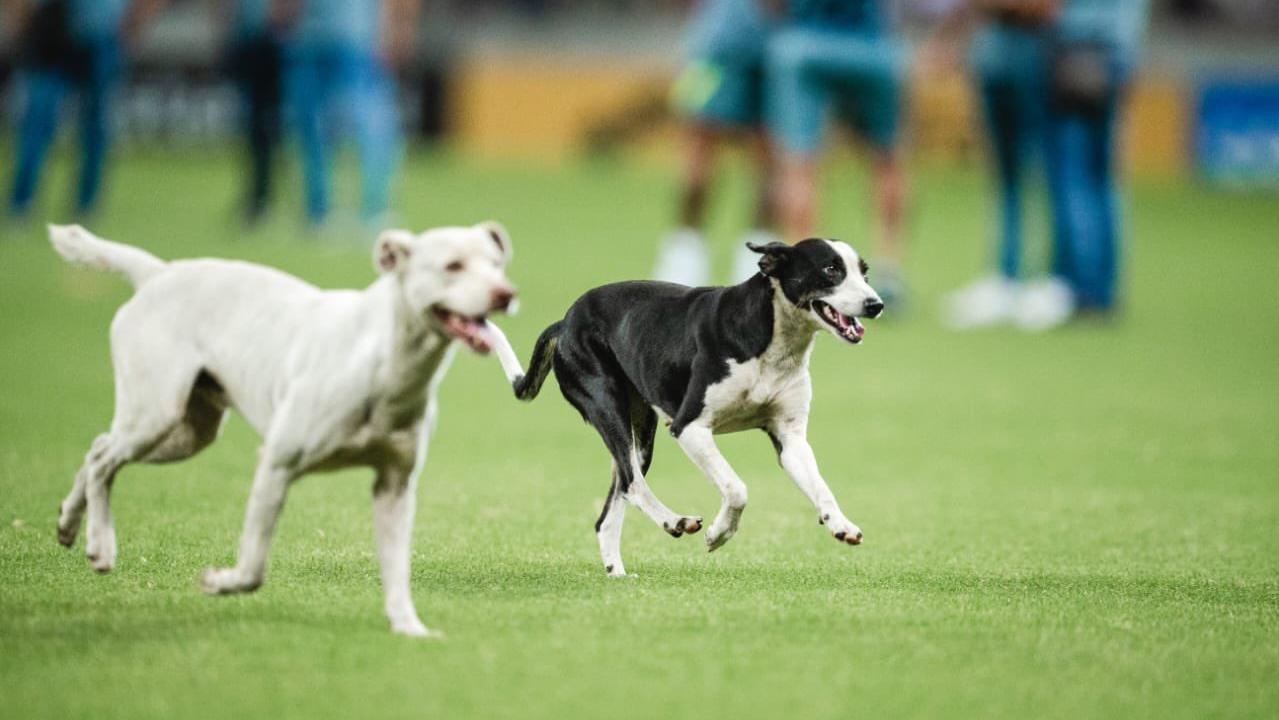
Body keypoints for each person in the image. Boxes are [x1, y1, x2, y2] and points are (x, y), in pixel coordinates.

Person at [765, 0, 909, 304]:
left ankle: (801, 273)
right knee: (887, 160)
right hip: (872, 46)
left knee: (799, 164)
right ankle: (888, 271)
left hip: (806, 43)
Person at [930, 1, 1059, 329]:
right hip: (992, 51)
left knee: (1046, 172)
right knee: (1003, 174)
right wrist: (948, 40)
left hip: (1037, 50)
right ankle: (1006, 276)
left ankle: (1048, 280)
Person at [656, 0, 782, 286]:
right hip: (724, 45)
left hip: (739, 44)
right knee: (705, 150)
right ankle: (685, 253)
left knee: (764, 157)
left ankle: (752, 258)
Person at [5, 0, 165, 220]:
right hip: (53, 32)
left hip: (100, 37)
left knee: (92, 126)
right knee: (39, 122)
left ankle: (84, 204)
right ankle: (23, 201)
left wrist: (134, 29)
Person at [1042, 0, 1150, 322]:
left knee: (1074, 176)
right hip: (1114, 59)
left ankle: (1080, 288)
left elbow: (1059, 14)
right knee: (1103, 178)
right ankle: (1104, 288)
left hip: (1077, 58)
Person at [278, 0, 419, 230]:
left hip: (349, 37)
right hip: (325, 37)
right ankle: (330, 210)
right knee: (324, 126)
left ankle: (364, 209)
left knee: (354, 124)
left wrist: (398, 29)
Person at [216, 0, 286, 225]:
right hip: (249, 37)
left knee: (265, 126)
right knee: (255, 127)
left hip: (272, 39)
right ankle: (258, 197)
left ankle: (263, 198)